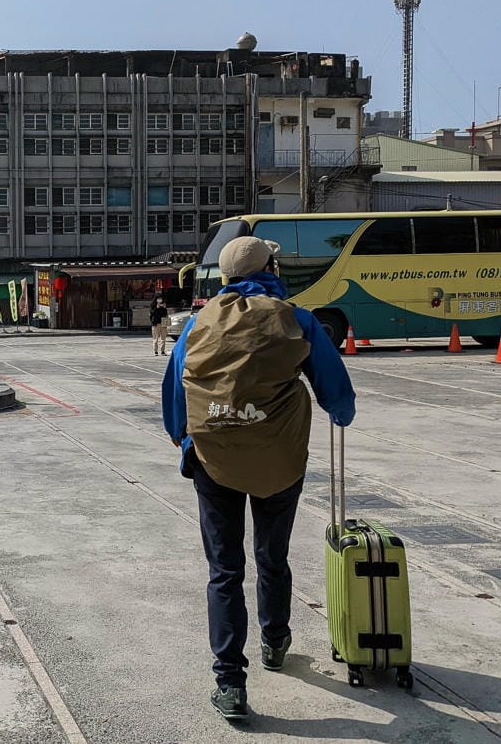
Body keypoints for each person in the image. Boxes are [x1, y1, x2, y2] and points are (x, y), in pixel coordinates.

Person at [161, 237, 355, 723]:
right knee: (272, 556)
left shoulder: (199, 322)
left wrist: (185, 442)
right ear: (271, 267)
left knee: (224, 571)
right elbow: (336, 390)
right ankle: (274, 640)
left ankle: (229, 682)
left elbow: (174, 391)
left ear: (225, 276)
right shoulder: (296, 317)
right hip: (280, 460)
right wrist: (340, 412)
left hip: (216, 460)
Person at [149, 290, 170, 355]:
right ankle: (155, 351)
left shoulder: (163, 305)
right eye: (158, 298)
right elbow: (151, 313)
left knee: (163, 338)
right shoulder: (152, 305)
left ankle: (162, 351)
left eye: (161, 298)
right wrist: (156, 308)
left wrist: (164, 308)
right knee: (155, 338)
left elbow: (165, 314)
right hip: (156, 324)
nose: (160, 300)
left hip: (163, 323)